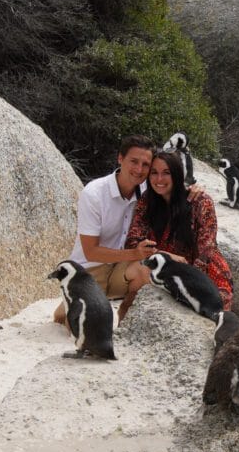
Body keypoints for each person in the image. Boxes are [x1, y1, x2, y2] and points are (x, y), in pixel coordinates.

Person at [53, 135, 159, 325]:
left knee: (147, 272)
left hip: (118, 268)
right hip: (88, 270)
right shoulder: (94, 194)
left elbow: (172, 186)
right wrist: (134, 253)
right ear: (120, 158)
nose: (139, 169)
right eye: (134, 161)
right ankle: (69, 306)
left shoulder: (146, 191)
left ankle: (126, 319)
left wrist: (194, 189)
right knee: (84, 324)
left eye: (145, 164)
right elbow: (90, 251)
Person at [120, 149, 233, 319]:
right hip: (165, 268)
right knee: (140, 278)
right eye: (154, 173)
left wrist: (188, 283)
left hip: (202, 274)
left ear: (177, 174)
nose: (159, 179)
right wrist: (165, 255)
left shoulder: (199, 201)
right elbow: (133, 241)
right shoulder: (147, 200)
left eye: (166, 173)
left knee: (211, 318)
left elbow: (206, 251)